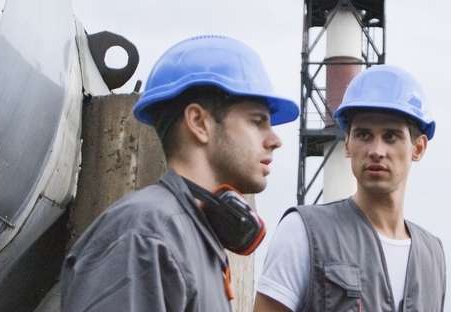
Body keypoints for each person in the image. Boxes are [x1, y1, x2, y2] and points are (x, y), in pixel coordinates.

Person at [60, 35, 299, 312]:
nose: (274, 140)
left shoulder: (193, 237)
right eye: (257, 122)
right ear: (199, 123)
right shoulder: (143, 235)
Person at [254, 65, 446, 312]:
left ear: (418, 148)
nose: (377, 150)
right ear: (347, 144)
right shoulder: (303, 232)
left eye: (391, 137)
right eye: (364, 135)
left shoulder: (432, 255)